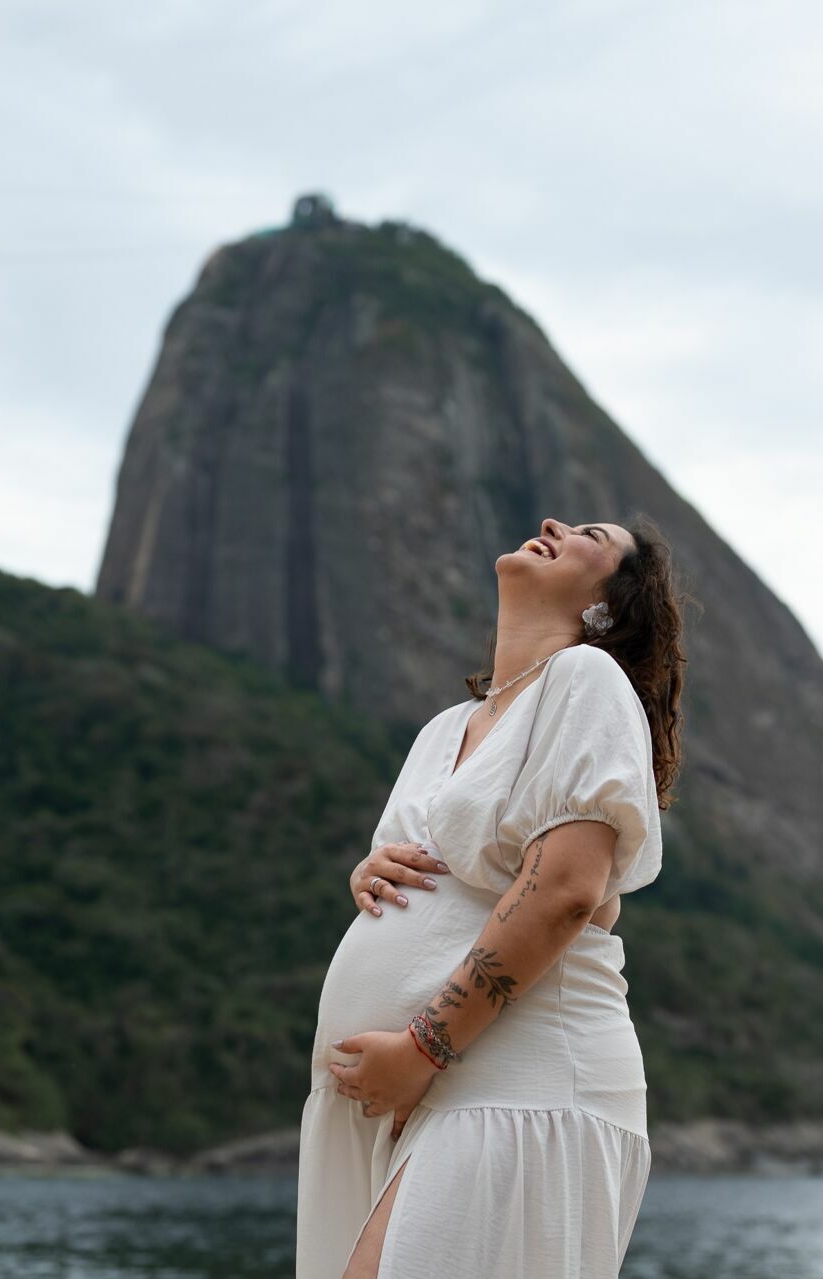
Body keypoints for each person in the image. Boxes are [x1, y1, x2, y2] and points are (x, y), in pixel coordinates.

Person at [296, 514, 690, 1278]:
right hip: (416, 1096)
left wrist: (421, 1049)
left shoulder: (585, 679)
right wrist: (371, 877)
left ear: (608, 605)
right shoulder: (443, 730)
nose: (553, 523)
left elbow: (568, 890)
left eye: (590, 535)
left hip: (520, 1079)